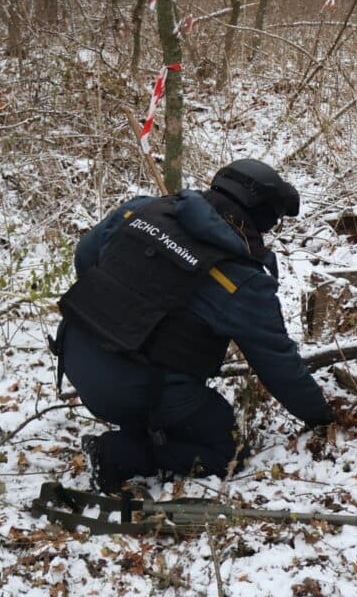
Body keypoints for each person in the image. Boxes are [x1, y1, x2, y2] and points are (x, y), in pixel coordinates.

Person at [51, 159, 334, 491]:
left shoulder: (144, 209)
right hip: (130, 387)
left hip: (73, 352)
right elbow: (279, 365)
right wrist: (322, 418)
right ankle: (118, 454)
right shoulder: (241, 280)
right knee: (226, 446)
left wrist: (120, 313)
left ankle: (139, 414)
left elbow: (85, 256)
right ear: (261, 219)